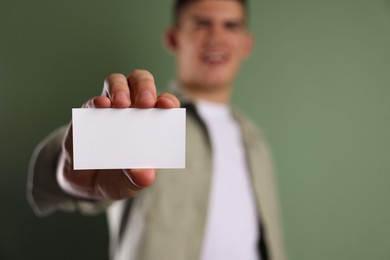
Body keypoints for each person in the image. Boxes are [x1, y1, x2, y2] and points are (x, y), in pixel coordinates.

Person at [28, 0, 287, 259]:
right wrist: (69, 166)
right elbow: (60, 166)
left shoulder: (256, 143)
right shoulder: (143, 119)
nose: (216, 37)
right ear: (174, 39)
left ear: (246, 43)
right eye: (201, 24)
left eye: (230, 26)